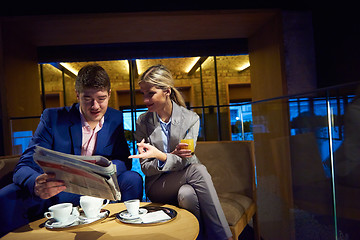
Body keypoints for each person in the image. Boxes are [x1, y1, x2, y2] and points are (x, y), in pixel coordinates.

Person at [0, 64, 143, 237]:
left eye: (101, 98)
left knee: (132, 179)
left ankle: (127, 234)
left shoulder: (115, 118)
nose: (95, 106)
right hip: (61, 188)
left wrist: (108, 170)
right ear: (77, 95)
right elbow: (24, 164)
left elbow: (123, 159)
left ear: (109, 94)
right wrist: (36, 183)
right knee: (6, 196)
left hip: (98, 187)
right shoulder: (53, 118)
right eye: (87, 98)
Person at [129, 65, 233, 240]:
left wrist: (160, 155)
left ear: (167, 91)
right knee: (198, 169)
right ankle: (224, 237)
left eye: (150, 94)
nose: (145, 100)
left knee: (188, 195)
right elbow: (146, 167)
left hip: (186, 181)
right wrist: (169, 155)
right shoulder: (143, 122)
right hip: (157, 185)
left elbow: (185, 160)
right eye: (143, 94)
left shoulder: (191, 119)